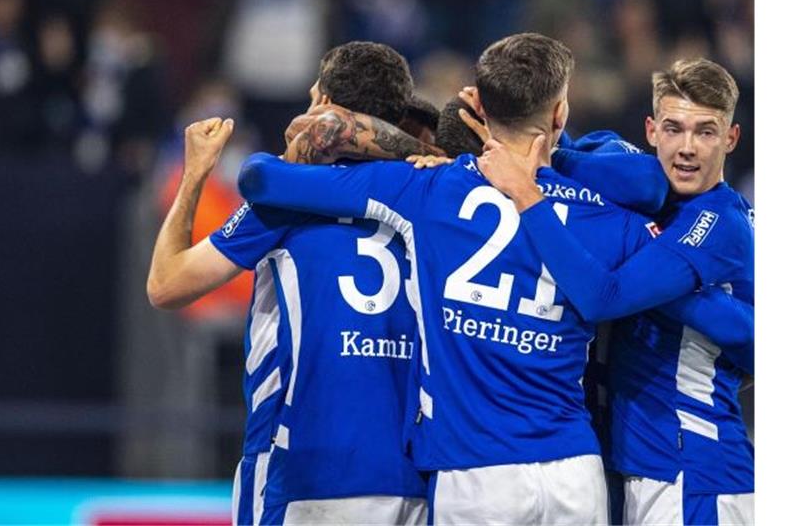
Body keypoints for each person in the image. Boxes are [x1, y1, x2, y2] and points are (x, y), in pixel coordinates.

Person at [237, 33, 670, 524]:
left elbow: (259, 178)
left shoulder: (427, 186)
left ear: (480, 106)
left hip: (475, 471)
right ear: (559, 114)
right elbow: (653, 186)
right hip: (574, 466)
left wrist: (410, 149)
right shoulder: (606, 213)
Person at [148, 42, 438, 525]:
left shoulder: (285, 194)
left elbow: (166, 284)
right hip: (409, 472)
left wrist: (194, 175)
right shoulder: (427, 191)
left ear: (324, 105)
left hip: (302, 463)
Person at [475, 58, 754, 525]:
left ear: (730, 138)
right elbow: (610, 162)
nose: (687, 148)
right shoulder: (648, 193)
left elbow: (603, 297)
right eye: (674, 128)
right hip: (644, 466)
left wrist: (527, 191)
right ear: (651, 130)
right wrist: (539, 146)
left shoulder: (716, 222)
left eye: (706, 132)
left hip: (694, 471)